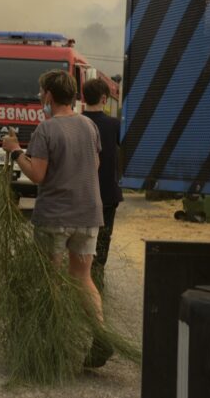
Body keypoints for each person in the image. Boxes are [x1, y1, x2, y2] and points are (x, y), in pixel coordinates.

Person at [1, 69, 111, 368]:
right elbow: (95, 164)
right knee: (82, 277)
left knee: (50, 279)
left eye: (41, 93)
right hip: (88, 213)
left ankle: (51, 344)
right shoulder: (89, 125)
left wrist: (15, 151)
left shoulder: (46, 129)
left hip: (55, 216)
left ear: (49, 95)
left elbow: (37, 175)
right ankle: (100, 335)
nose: (40, 98)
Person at [82, 78, 123, 292]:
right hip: (107, 192)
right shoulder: (115, 125)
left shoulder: (76, 123)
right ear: (105, 99)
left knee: (79, 240)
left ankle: (80, 278)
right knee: (103, 238)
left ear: (83, 97)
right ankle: (97, 280)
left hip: (80, 193)